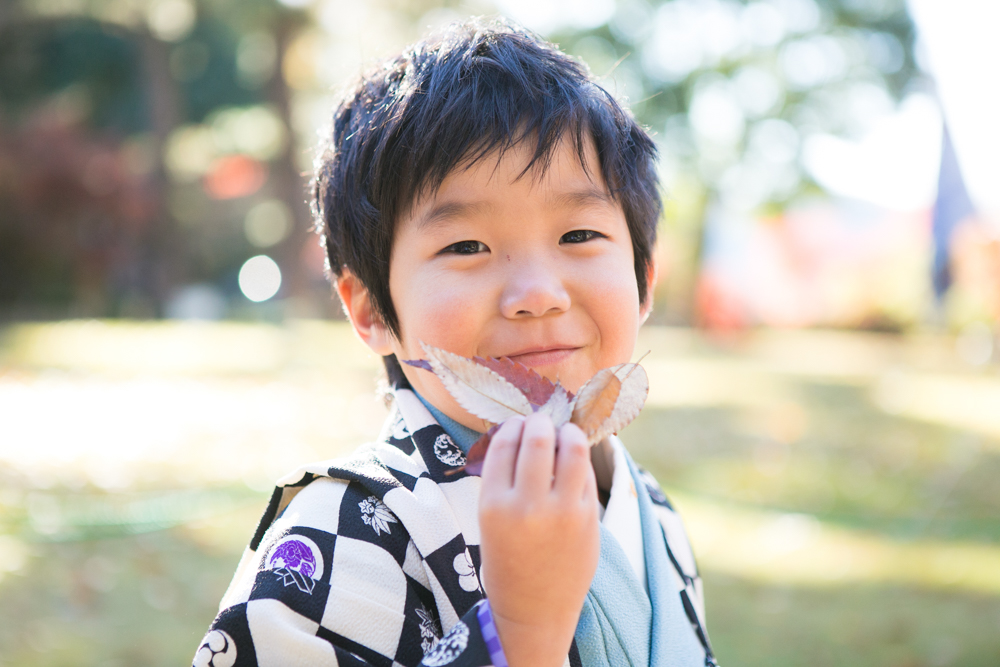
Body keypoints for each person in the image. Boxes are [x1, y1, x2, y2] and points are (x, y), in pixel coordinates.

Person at [193, 17, 716, 667]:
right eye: (466, 245)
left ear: (643, 279)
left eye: (579, 235)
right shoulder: (335, 538)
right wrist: (520, 629)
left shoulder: (647, 506)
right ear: (370, 309)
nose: (537, 293)